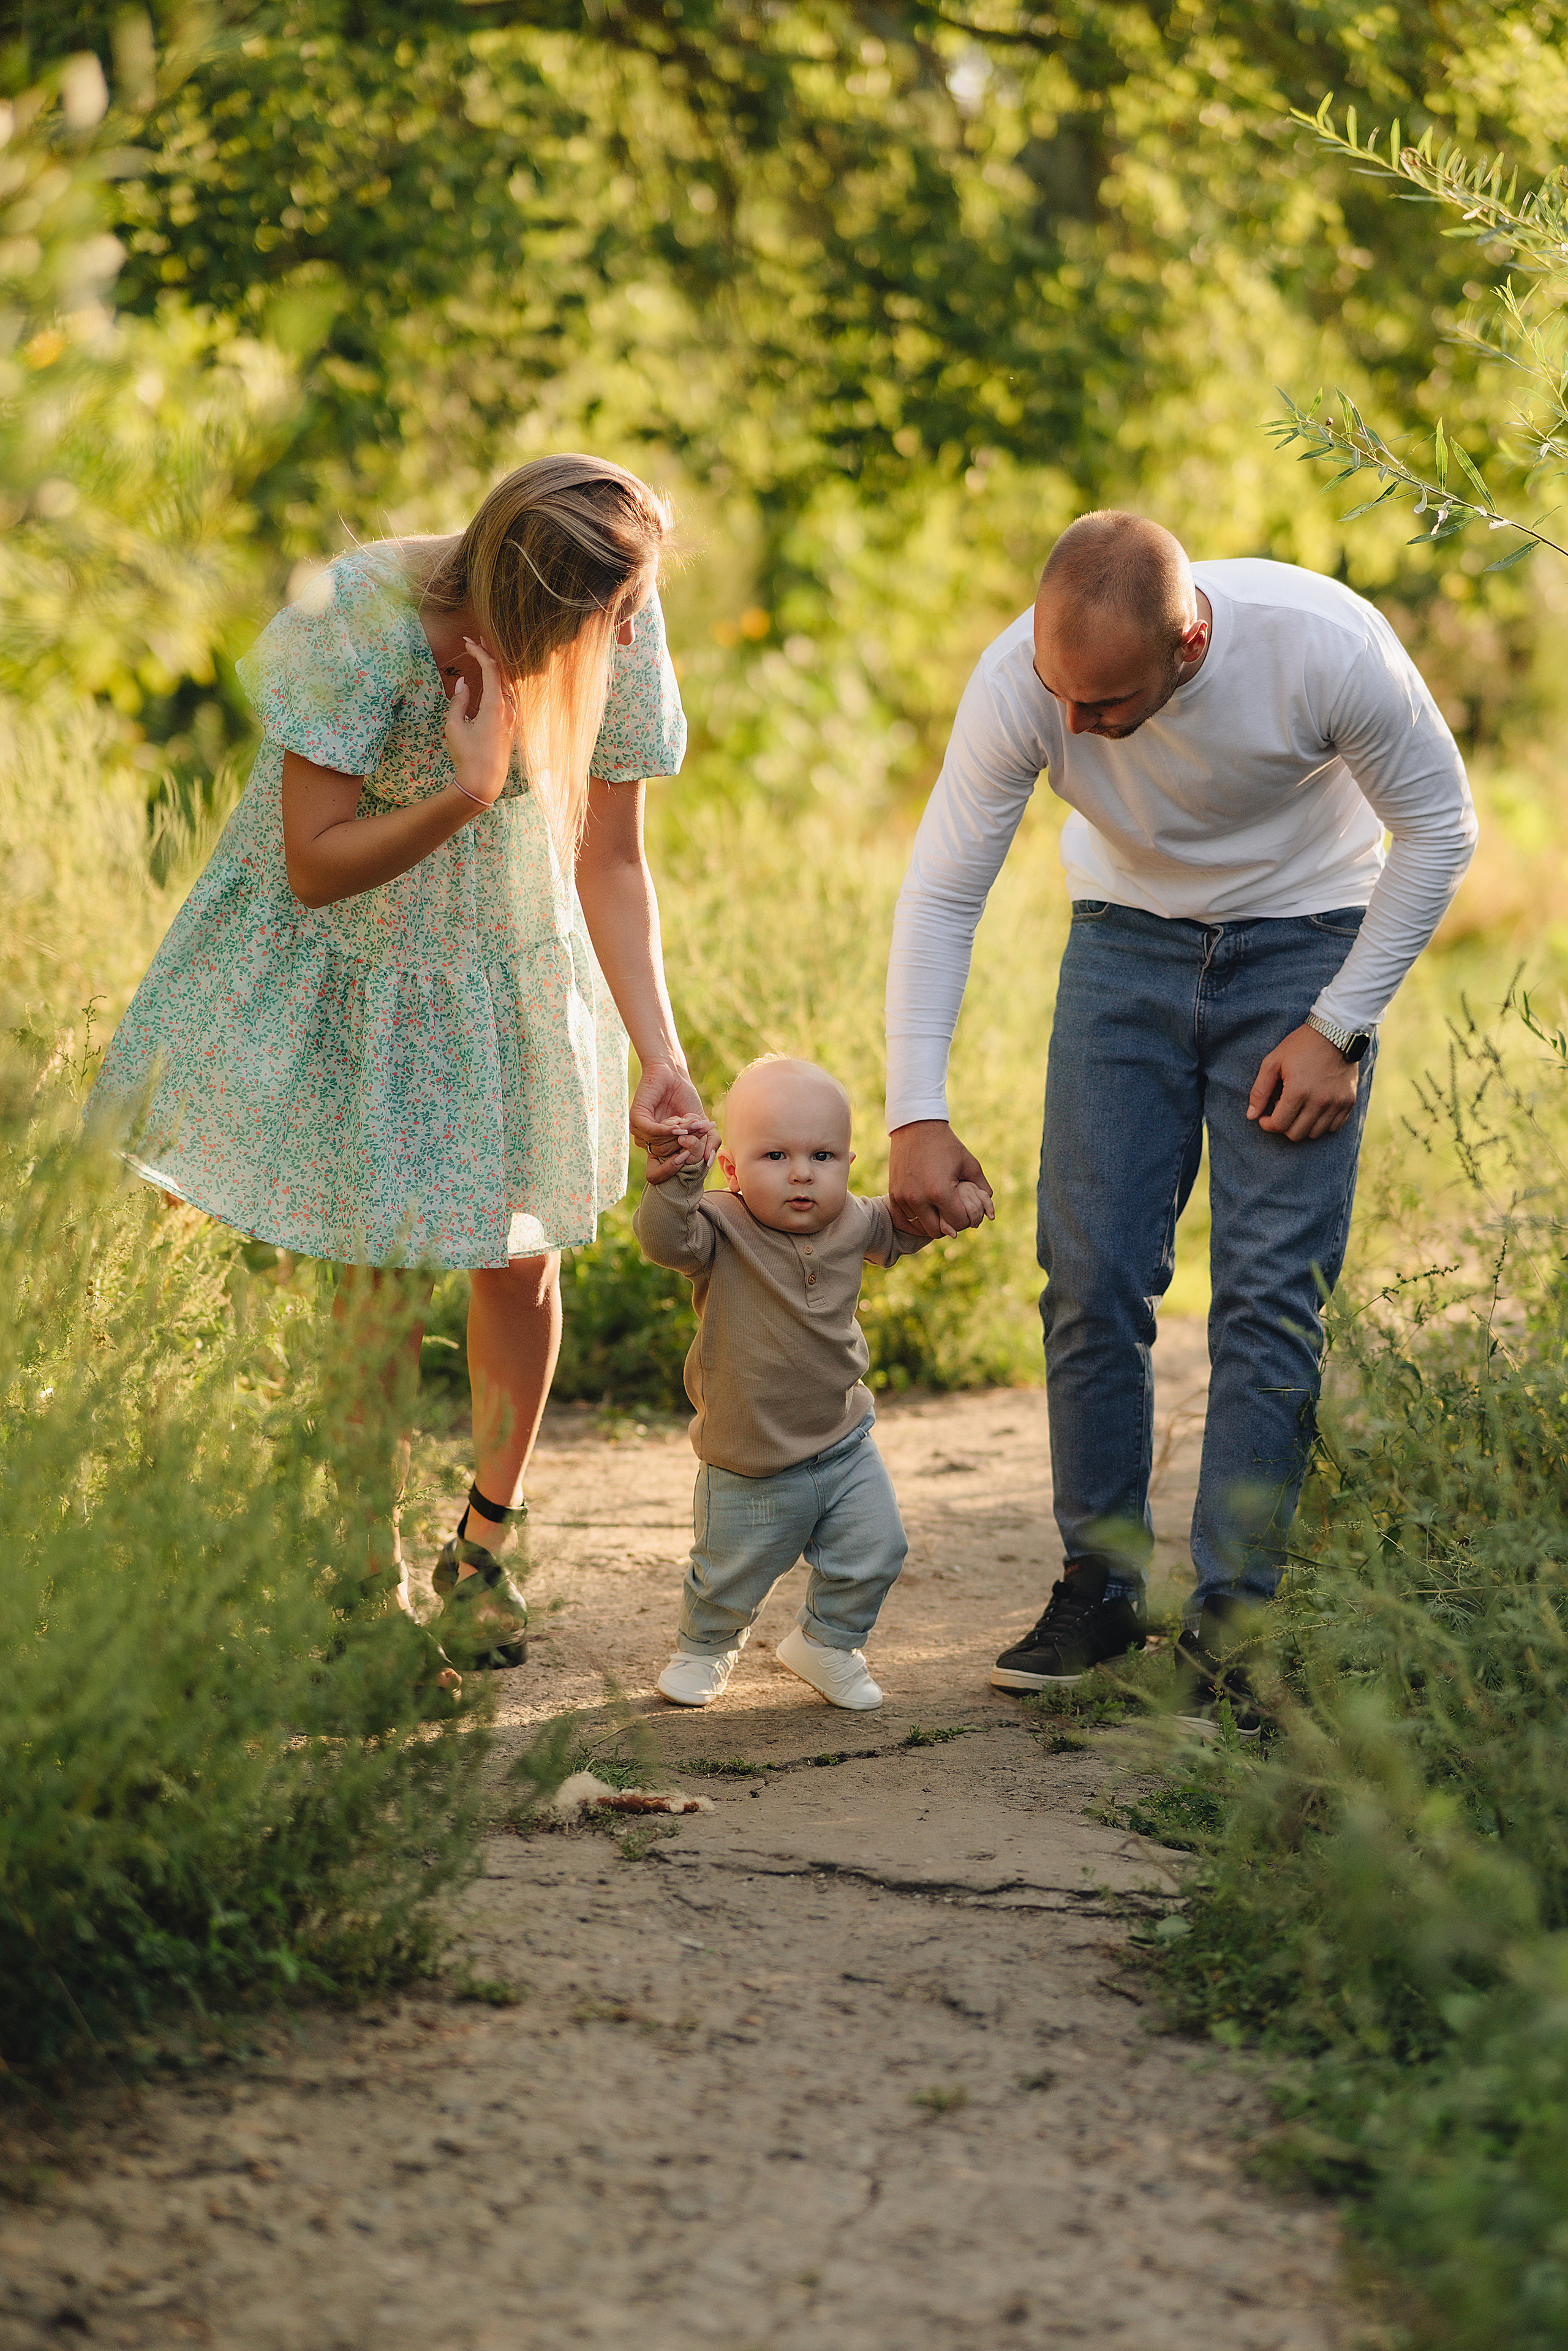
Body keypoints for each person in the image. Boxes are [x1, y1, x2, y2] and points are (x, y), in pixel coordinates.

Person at [92, 454, 715, 1669]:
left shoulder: (615, 612)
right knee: (373, 1272)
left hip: (504, 964)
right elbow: (315, 864)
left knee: (519, 1248)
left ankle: (485, 1541)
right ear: (546, 613)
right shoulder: (364, 628)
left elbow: (613, 863)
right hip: (354, 968)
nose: (636, 632)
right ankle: (352, 1570)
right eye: (615, 619)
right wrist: (472, 787)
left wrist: (661, 1052)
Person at [884, 510, 1477, 1721]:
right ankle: (1099, 1586)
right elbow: (945, 883)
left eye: (1106, 704)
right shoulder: (1023, 683)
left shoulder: (1322, 648)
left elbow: (1438, 827)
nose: (1077, 728)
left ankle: (1231, 1616)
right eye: (1062, 693)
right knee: (1088, 1274)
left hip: (1305, 945)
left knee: (1268, 1291)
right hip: (1122, 950)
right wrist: (914, 1109)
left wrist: (1339, 1026)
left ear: (1189, 643)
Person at [633, 1057, 991, 1711]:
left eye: (822, 1155)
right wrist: (675, 1185)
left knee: (877, 1549)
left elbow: (909, 1222)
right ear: (732, 1169)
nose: (802, 1172)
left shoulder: (855, 1219)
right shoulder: (719, 1225)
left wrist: (954, 1205)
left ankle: (827, 1643)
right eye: (775, 1155)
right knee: (728, 1574)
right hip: (751, 1457)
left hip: (843, 1440)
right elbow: (662, 1240)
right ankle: (704, 1650)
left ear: (849, 1163)